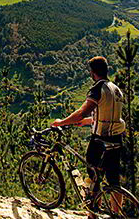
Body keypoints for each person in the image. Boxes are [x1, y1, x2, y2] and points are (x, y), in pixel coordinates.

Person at [51, 56, 125, 216]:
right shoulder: (116, 89)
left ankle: (92, 213)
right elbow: (108, 116)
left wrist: (61, 122)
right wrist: (86, 122)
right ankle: (116, 214)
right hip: (117, 139)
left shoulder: (97, 89)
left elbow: (81, 112)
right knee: (114, 181)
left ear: (93, 73)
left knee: (93, 177)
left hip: (100, 140)